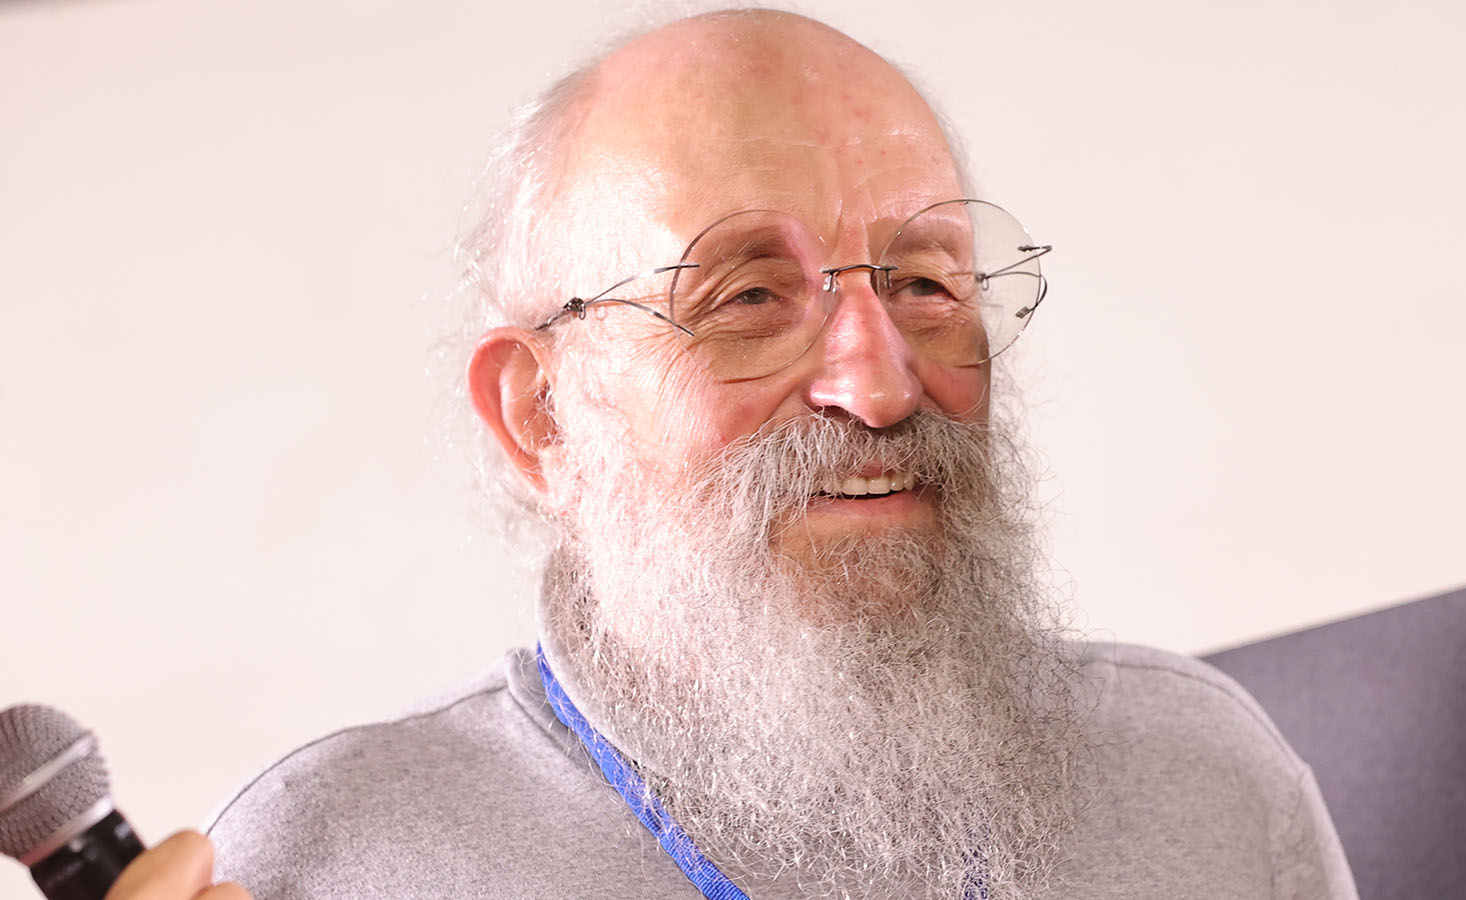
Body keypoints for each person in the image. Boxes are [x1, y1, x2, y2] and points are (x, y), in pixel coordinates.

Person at [110, 9, 1358, 900]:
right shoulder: (331, 861)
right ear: (541, 415)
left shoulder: (1199, 777)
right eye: (749, 297)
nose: (879, 385)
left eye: (925, 282)